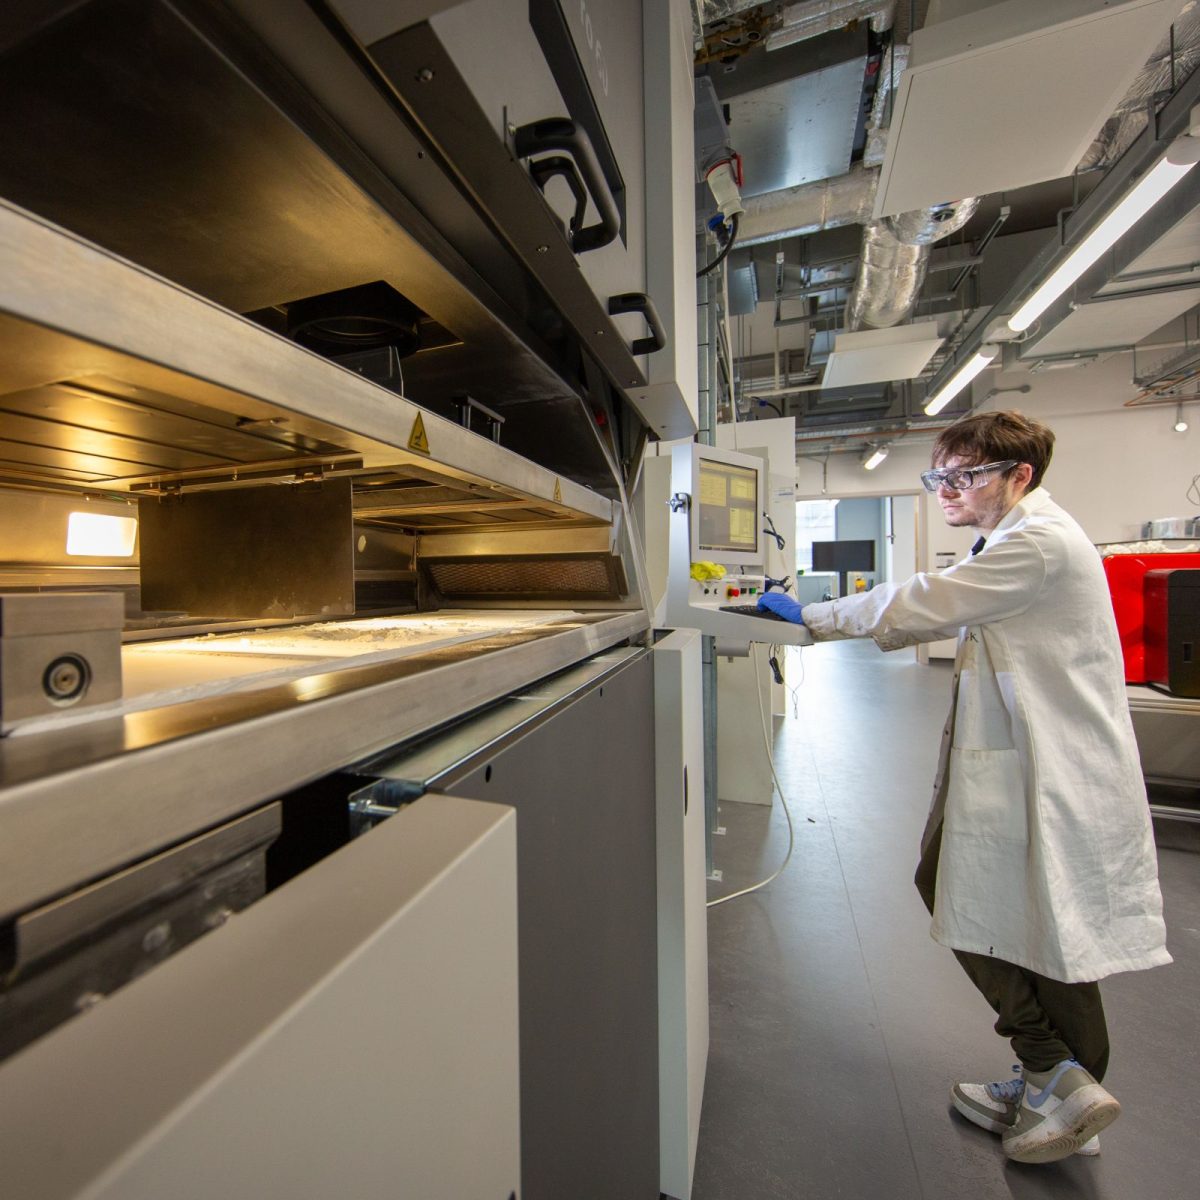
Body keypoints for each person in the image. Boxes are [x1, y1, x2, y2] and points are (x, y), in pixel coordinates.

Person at [757, 410, 1171, 1164]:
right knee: (1045, 923)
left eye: (965, 475)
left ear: (1021, 476)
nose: (948, 489)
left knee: (1010, 909)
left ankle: (1054, 1075)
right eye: (940, 475)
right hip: (1021, 755)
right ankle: (1061, 1085)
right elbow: (936, 603)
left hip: (1050, 766)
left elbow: (925, 600)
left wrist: (811, 616)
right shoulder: (1014, 540)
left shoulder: (1037, 544)